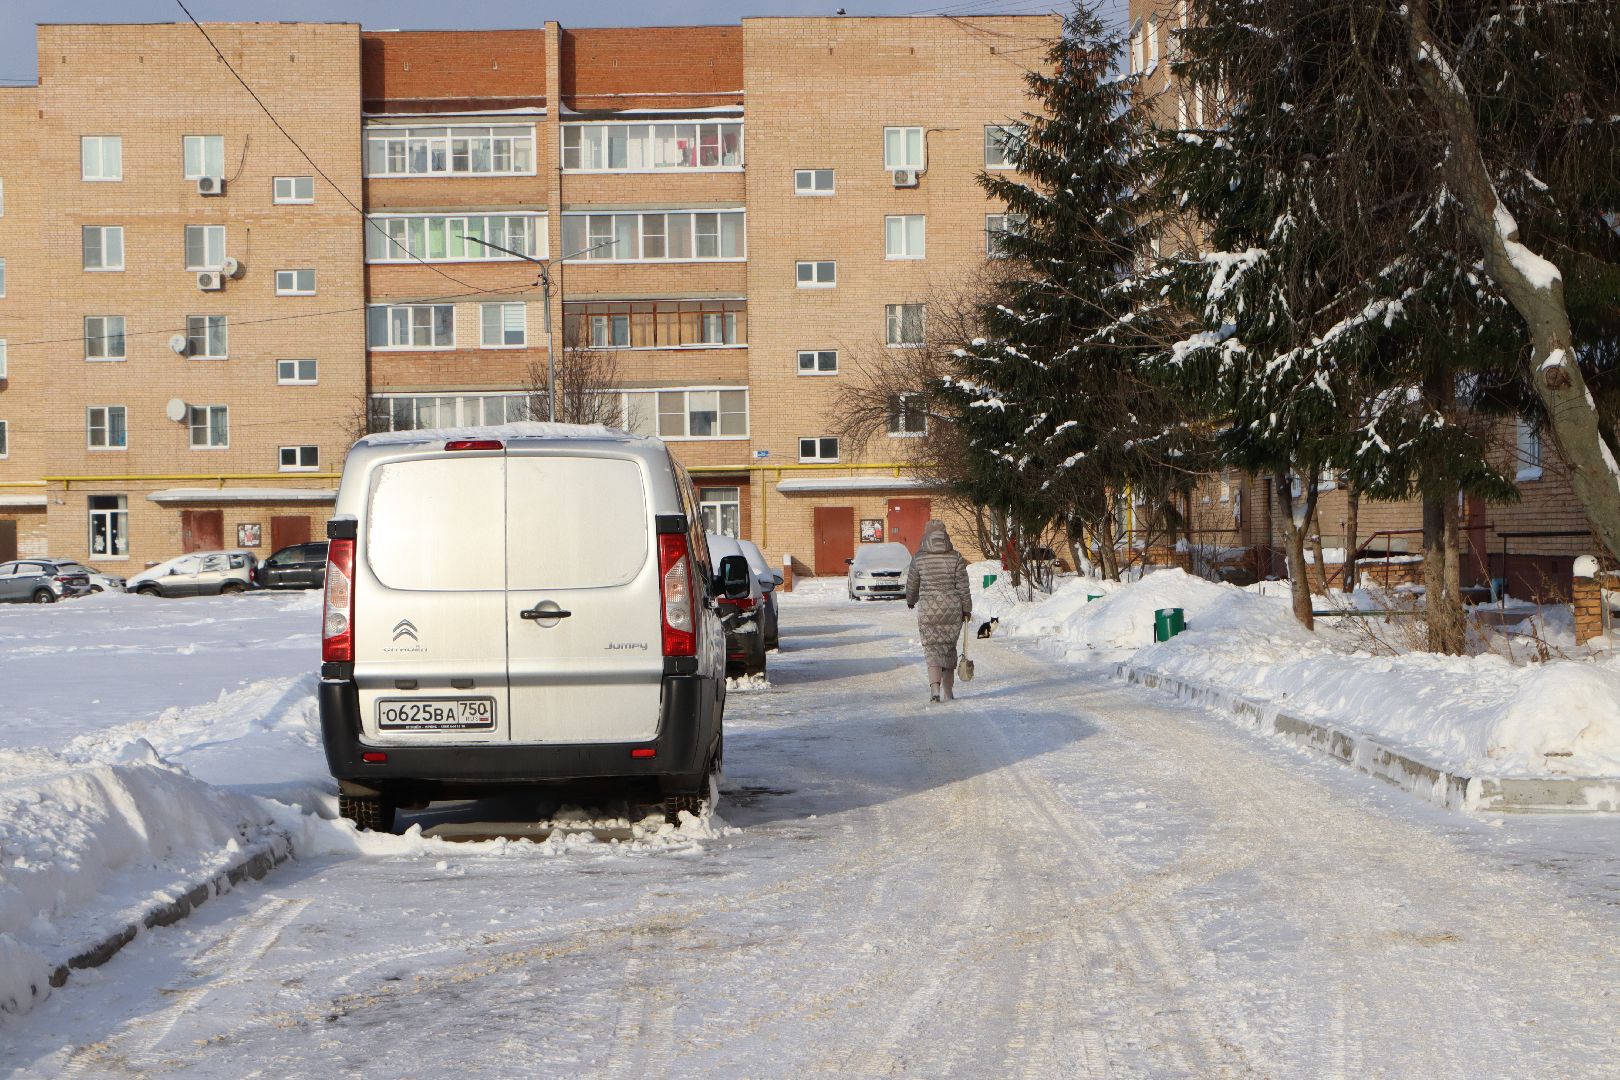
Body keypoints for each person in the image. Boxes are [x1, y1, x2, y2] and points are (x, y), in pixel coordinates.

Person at [905, 520, 973, 703]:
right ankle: (948, 692)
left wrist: (910, 601)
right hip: (952, 611)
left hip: (928, 611)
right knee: (948, 650)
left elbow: (912, 584)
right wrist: (966, 609)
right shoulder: (956, 557)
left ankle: (935, 690)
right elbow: (963, 587)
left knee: (932, 650)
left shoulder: (918, 558)